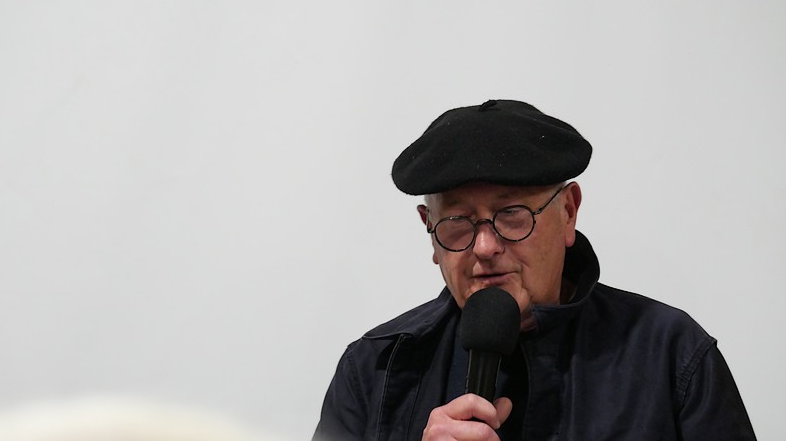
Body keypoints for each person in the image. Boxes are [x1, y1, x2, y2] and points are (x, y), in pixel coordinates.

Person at [313, 99, 755, 440]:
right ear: (429, 230)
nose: (484, 247)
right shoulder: (375, 368)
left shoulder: (670, 355)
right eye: (457, 222)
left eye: (511, 215)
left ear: (569, 212)